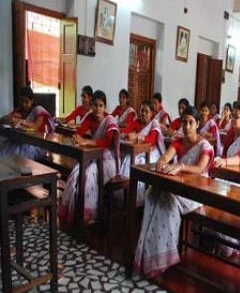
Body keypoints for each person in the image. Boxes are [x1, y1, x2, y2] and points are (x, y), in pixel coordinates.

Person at [134, 106, 214, 277]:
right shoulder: (179, 141)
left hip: (196, 191)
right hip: (178, 186)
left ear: (197, 124)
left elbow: (200, 168)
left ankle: (163, 256)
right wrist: (162, 162)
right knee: (152, 195)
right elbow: (165, 157)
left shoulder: (204, 145)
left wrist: (181, 166)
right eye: (184, 122)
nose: (187, 126)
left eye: (191, 122)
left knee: (166, 200)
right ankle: (149, 253)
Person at [59, 90, 120, 225]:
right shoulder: (90, 117)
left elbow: (106, 143)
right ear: (91, 105)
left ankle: (89, 213)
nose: (97, 109)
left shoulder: (110, 121)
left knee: (88, 173)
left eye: (101, 106)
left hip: (107, 160)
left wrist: (87, 142)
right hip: (92, 155)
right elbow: (79, 133)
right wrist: (76, 138)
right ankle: (75, 211)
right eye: (95, 105)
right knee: (76, 174)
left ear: (105, 107)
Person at [120, 100, 165, 205]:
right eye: (141, 111)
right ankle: (124, 197)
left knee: (138, 163)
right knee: (126, 159)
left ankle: (137, 199)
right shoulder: (138, 122)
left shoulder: (154, 124)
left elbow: (151, 140)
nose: (143, 113)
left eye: (146, 111)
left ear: (152, 113)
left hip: (151, 152)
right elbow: (126, 130)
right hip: (137, 150)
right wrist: (125, 135)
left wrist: (137, 136)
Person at [0, 86, 55, 160]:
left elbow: (36, 126)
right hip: (22, 142)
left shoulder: (38, 110)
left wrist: (22, 121)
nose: (23, 104)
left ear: (32, 101)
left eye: (26, 102)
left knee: (17, 150)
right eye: (21, 101)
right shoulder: (19, 111)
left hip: (37, 145)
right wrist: (12, 119)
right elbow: (2, 119)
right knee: (8, 145)